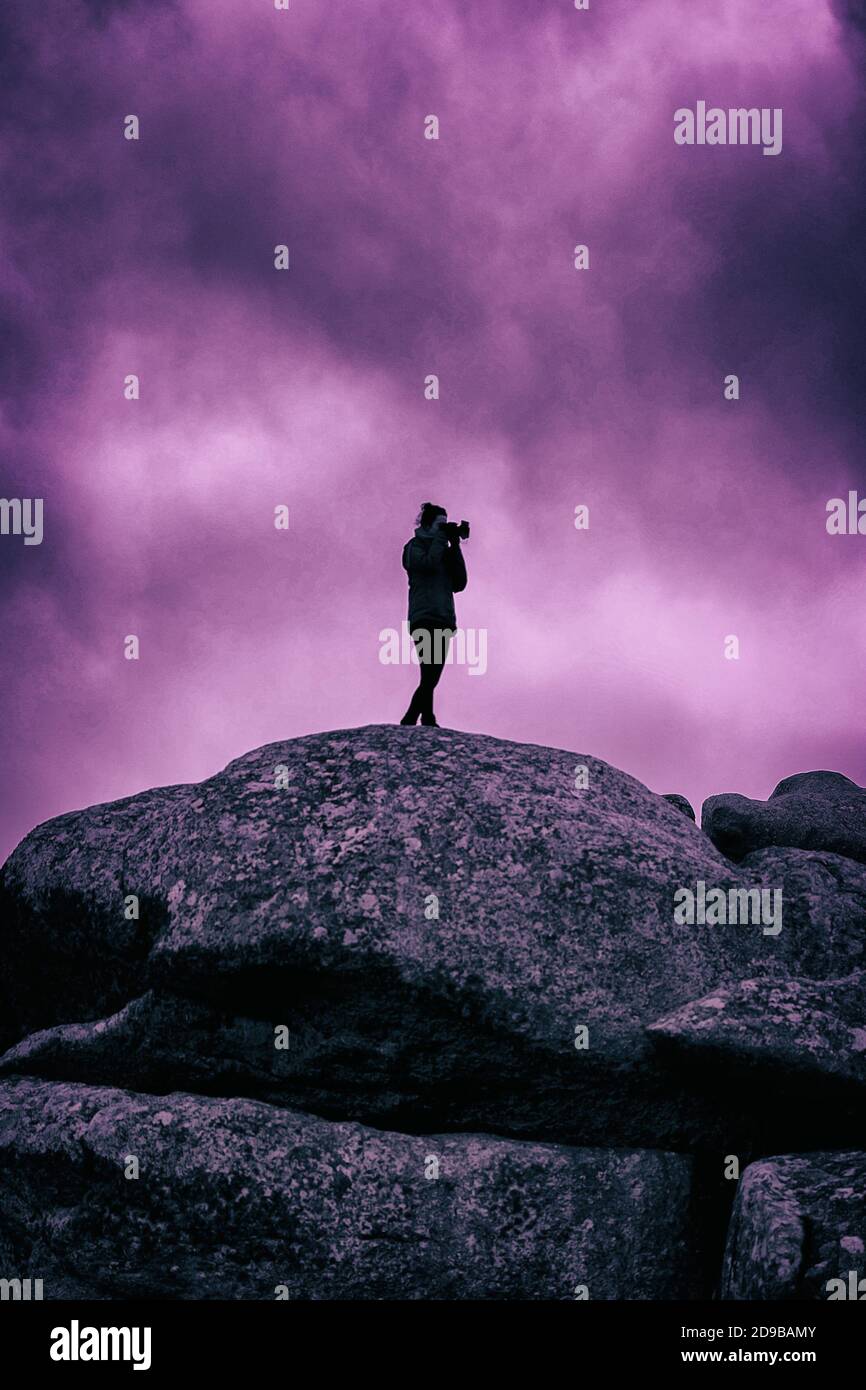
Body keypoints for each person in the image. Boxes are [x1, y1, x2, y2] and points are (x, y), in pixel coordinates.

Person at [400, 502, 467, 727]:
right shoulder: (413, 547)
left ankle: (425, 717)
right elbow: (426, 565)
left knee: (432, 673)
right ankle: (413, 718)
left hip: (444, 618)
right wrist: (440, 540)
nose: (444, 528)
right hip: (424, 616)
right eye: (440, 524)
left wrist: (455, 545)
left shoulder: (444, 549)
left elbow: (459, 582)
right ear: (427, 524)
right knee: (429, 672)